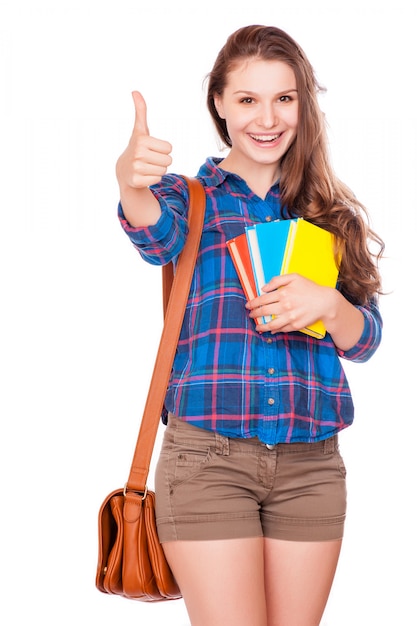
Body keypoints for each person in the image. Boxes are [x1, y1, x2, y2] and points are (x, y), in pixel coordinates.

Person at [116, 24, 384, 626]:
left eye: (284, 98)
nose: (268, 118)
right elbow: (151, 233)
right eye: (247, 99)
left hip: (312, 466)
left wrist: (330, 307)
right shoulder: (188, 199)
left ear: (303, 104)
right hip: (209, 462)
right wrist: (129, 182)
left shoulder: (329, 215)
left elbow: (366, 338)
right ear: (219, 103)